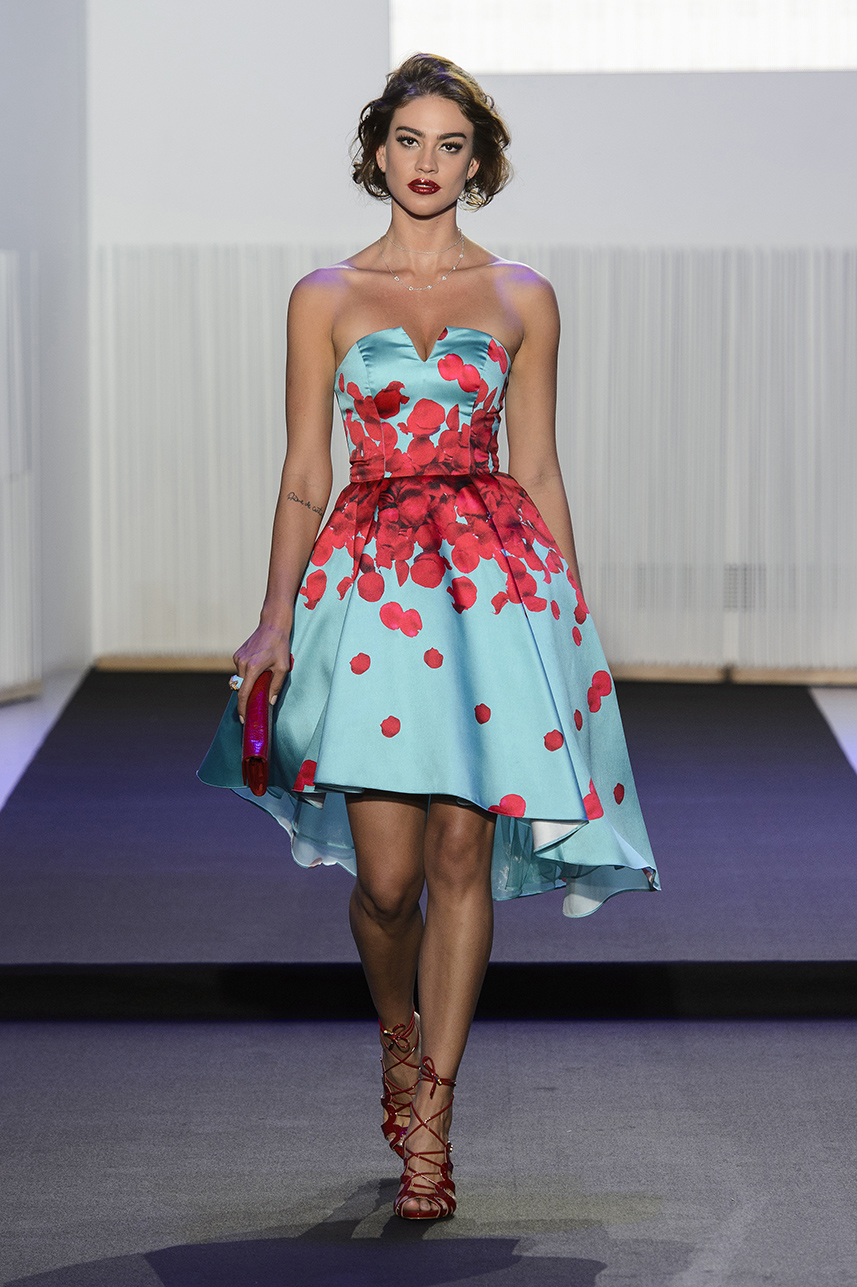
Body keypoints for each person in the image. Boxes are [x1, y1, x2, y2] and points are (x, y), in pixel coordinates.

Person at [199, 53, 658, 1221]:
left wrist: (568, 628)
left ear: (476, 163)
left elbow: (538, 468)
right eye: (408, 140)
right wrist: (272, 617)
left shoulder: (520, 295)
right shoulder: (324, 295)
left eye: (449, 144)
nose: (425, 162)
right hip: (372, 587)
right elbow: (303, 474)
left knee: (460, 856)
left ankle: (434, 1124)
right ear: (376, 151)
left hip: (492, 591)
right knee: (388, 880)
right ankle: (396, 1037)